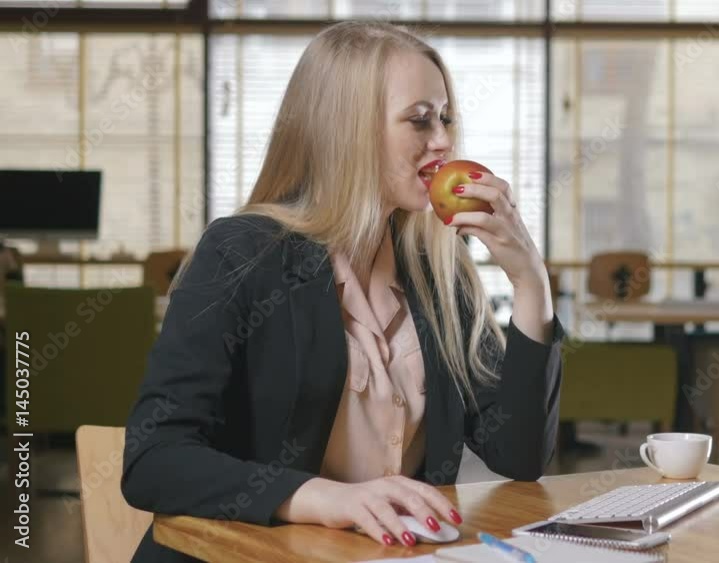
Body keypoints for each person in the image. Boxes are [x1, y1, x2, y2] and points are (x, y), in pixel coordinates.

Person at [120, 21, 564, 562]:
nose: (444, 140)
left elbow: (517, 454)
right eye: (420, 120)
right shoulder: (241, 252)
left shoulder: (438, 268)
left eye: (446, 118)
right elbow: (154, 459)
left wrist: (529, 281)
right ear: (347, 128)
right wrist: (322, 498)